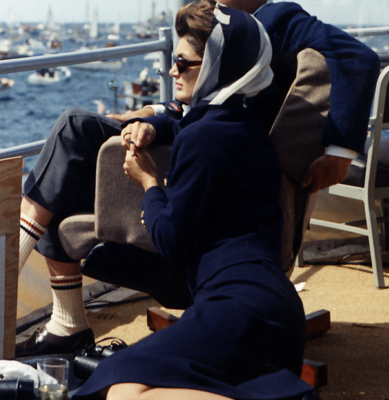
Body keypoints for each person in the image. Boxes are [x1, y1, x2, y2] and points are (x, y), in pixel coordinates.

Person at [15, 0, 380, 358]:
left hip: (213, 169)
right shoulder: (217, 29)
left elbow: (357, 57)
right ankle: (62, 320)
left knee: (72, 138)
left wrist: (340, 154)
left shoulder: (275, 19)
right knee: (68, 154)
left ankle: (24, 292)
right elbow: (200, 100)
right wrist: (152, 118)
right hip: (197, 140)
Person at [72, 3, 315, 399]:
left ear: (218, 64)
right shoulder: (247, 126)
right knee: (123, 380)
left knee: (118, 390)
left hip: (236, 309)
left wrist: (149, 181)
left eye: (183, 63)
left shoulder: (201, 138)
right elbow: (185, 123)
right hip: (272, 312)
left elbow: (169, 240)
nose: (172, 71)